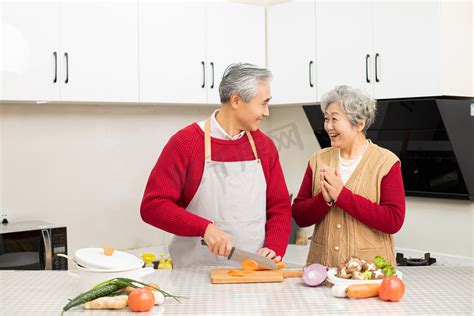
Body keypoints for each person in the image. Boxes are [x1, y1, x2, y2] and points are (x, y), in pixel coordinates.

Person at [141, 63, 292, 268]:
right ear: (236, 100)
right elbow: (153, 206)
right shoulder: (186, 143)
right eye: (263, 104)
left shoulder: (264, 147)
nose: (266, 112)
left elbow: (280, 208)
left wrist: (274, 247)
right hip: (194, 276)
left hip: (253, 274)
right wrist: (204, 228)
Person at [292, 85, 405, 267]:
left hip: (369, 274)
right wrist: (325, 200)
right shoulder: (318, 159)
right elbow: (299, 216)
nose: (328, 126)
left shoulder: (386, 162)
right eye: (326, 119)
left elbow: (393, 220)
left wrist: (342, 196)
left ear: (359, 123)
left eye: (335, 119)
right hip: (322, 271)